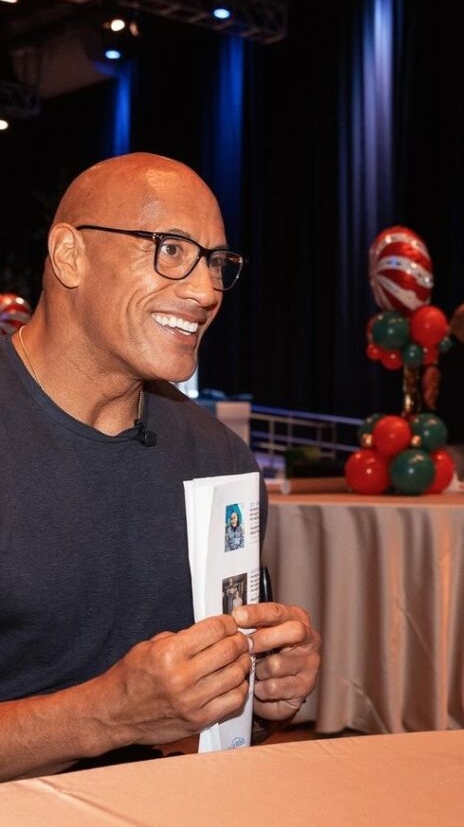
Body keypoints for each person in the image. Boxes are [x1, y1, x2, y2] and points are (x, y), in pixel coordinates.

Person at [0, 152, 320, 781]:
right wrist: (107, 716)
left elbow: (221, 716)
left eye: (217, 264)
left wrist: (264, 696)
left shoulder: (218, 461)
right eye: (170, 249)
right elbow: (126, 714)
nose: (205, 292)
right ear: (69, 255)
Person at [422, 301, 464, 481]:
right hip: (450, 441)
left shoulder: (460, 352)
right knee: (454, 491)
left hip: (458, 440)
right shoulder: (445, 352)